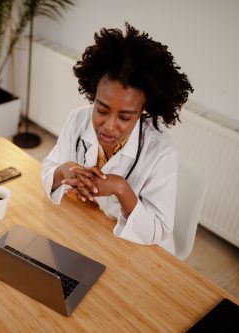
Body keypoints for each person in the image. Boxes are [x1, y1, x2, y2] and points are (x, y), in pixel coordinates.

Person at [41, 23, 193, 255]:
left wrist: (120, 188)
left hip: (141, 249)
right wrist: (64, 171)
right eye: (102, 110)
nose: (109, 126)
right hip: (92, 232)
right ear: (93, 95)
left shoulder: (161, 151)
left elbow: (158, 229)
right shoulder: (77, 119)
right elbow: (49, 170)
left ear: (143, 111)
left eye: (125, 116)